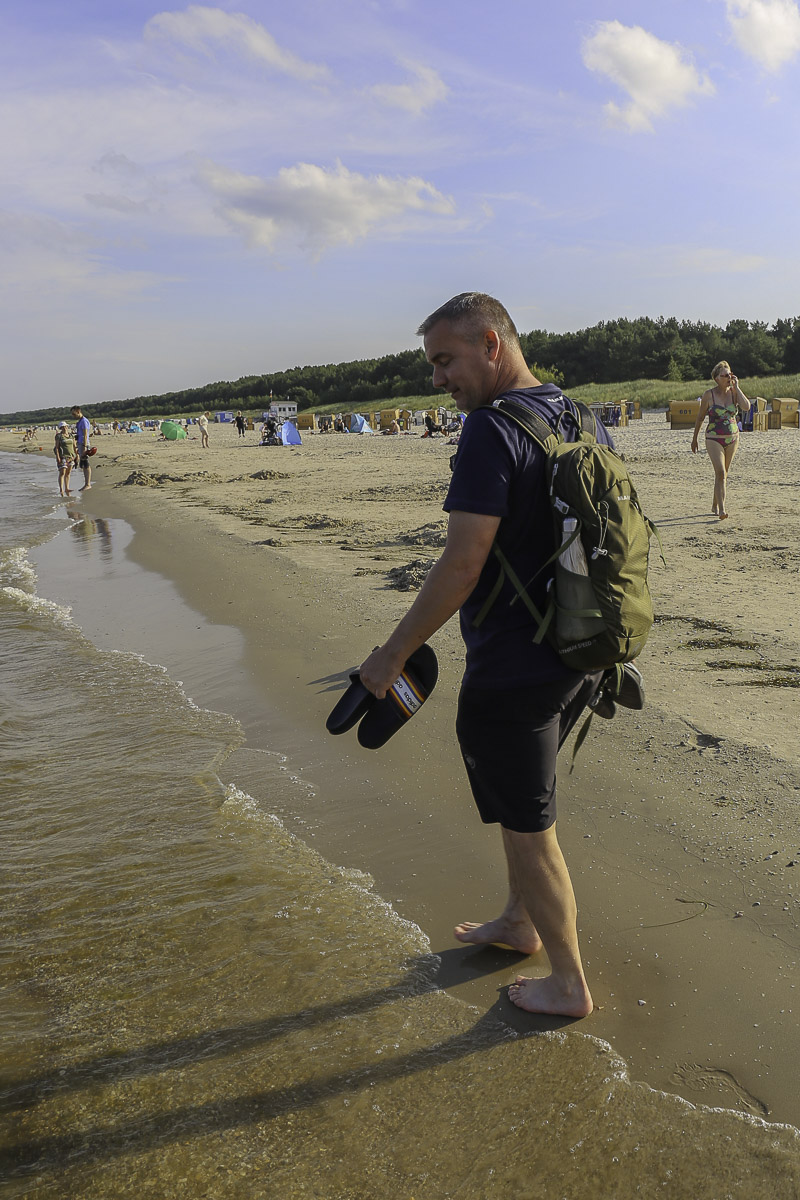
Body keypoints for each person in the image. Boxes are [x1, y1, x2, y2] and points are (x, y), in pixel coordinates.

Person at [359, 293, 612, 1019]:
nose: (438, 378)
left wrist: (392, 655)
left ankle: (568, 984)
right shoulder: (577, 413)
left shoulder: (490, 433)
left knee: (531, 826)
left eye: (446, 360)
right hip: (582, 649)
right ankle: (520, 920)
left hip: (517, 667)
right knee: (519, 802)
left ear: (491, 344)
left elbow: (461, 565)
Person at [690, 361, 750, 519]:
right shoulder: (708, 395)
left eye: (730, 374)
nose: (728, 378)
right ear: (716, 378)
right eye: (724, 375)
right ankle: (722, 509)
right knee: (721, 472)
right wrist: (694, 438)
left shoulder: (734, 392)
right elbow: (700, 417)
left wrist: (737, 387)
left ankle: (715, 504)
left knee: (723, 474)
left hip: (733, 438)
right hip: (713, 438)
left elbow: (747, 407)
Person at [70, 406, 93, 490]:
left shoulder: (84, 421)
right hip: (80, 443)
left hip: (84, 444)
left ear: (78, 411)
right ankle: (86, 483)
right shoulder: (79, 422)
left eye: (74, 414)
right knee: (82, 464)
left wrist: (84, 447)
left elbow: (86, 434)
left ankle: (88, 484)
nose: (73, 416)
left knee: (85, 463)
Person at [54, 421, 77, 496]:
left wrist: (77, 455)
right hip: (63, 456)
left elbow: (74, 446)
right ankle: (61, 489)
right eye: (63, 427)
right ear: (61, 428)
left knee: (68, 473)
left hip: (71, 456)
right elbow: (57, 448)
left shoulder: (71, 436)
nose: (64, 428)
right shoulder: (59, 436)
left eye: (65, 426)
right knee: (62, 472)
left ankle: (67, 488)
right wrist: (58, 457)